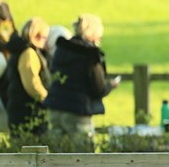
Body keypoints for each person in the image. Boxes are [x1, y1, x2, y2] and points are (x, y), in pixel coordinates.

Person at [44, 14, 118, 142]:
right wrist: (111, 85)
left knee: (56, 157)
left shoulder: (61, 49)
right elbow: (98, 89)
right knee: (84, 157)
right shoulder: (90, 55)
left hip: (55, 108)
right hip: (77, 112)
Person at [4, 17, 51, 136]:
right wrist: (48, 99)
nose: (46, 41)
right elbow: (32, 84)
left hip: (19, 110)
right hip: (27, 113)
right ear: (36, 36)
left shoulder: (20, 50)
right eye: (45, 37)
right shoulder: (29, 53)